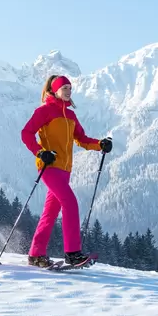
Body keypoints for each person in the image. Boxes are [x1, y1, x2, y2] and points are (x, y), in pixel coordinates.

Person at [20, 74, 112, 267]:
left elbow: (82, 139)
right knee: (70, 202)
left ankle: (36, 254)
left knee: (50, 212)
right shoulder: (44, 111)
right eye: (65, 88)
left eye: (70, 88)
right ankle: (72, 252)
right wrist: (40, 152)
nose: (69, 92)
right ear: (54, 90)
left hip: (65, 170)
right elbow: (26, 133)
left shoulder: (70, 115)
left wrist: (100, 144)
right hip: (50, 167)